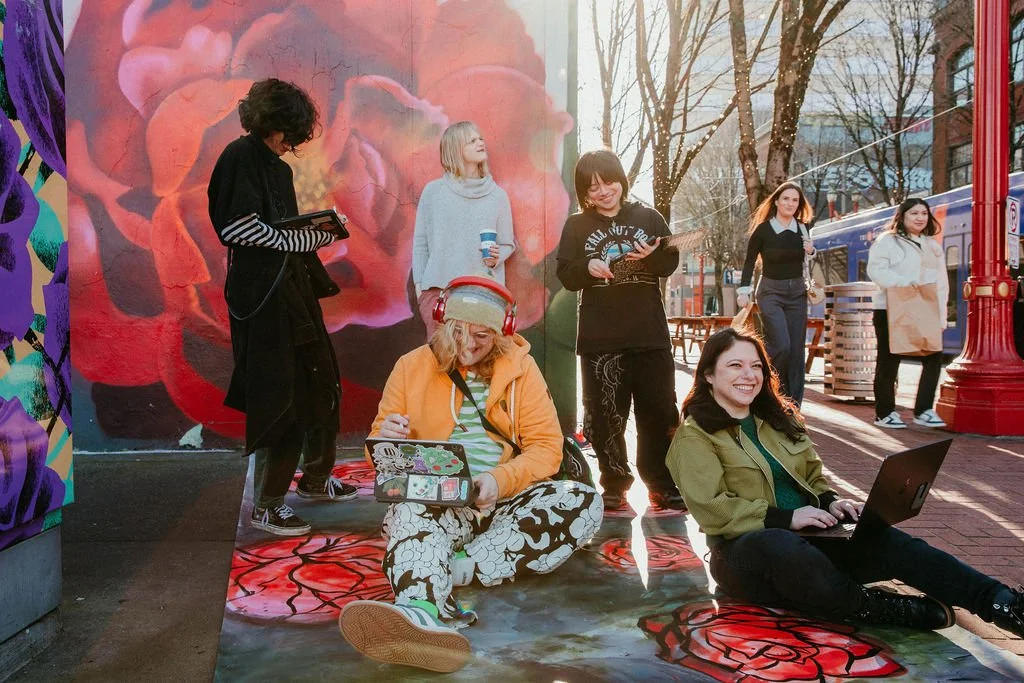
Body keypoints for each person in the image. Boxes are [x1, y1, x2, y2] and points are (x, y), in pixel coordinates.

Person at [666, 327, 1024, 636]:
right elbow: (713, 509)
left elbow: (813, 476)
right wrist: (786, 519)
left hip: (811, 544)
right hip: (745, 557)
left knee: (884, 538)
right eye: (735, 365)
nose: (750, 374)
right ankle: (879, 606)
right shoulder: (695, 436)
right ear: (709, 374)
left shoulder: (777, 419)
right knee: (779, 544)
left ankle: (1003, 605)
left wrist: (829, 501)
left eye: (756, 365)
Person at [339, 276, 602, 673]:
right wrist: (384, 436)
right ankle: (420, 613)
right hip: (436, 503)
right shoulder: (410, 367)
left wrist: (498, 480)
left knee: (582, 502)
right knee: (409, 509)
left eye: (482, 335)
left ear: (501, 333)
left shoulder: (522, 369)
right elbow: (379, 456)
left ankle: (455, 566)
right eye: (458, 332)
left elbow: (547, 448)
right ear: (443, 323)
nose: (469, 344)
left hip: (505, 501)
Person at [207, 78, 357, 536]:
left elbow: (278, 231)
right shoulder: (239, 157)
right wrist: (309, 236)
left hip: (293, 293)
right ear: (270, 123)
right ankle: (268, 503)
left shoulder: (278, 168)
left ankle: (315, 477)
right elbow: (239, 230)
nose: (289, 144)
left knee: (321, 382)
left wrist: (316, 233)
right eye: (286, 133)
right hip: (263, 299)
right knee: (279, 394)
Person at [555, 149, 685, 511]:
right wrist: (588, 265)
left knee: (659, 412)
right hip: (601, 339)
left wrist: (650, 256)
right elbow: (565, 274)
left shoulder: (649, 217)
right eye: (592, 186)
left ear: (621, 181)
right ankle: (614, 483)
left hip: (650, 335)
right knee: (605, 414)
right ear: (584, 191)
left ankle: (661, 483)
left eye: (608, 181)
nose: (602, 191)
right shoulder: (576, 226)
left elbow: (668, 263)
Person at [412, 121, 516, 339]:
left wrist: (496, 257)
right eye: (472, 140)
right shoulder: (433, 192)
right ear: (455, 149)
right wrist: (420, 289)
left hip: (484, 295)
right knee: (442, 365)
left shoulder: (498, 196)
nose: (480, 143)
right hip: (440, 294)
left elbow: (508, 243)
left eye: (480, 139)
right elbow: (420, 243)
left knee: (478, 368)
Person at [867, 198, 949, 429]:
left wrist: (941, 315)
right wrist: (906, 283)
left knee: (933, 357)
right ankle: (884, 413)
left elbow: (941, 282)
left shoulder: (932, 245)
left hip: (924, 309)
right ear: (902, 216)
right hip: (890, 309)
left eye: (924, 213)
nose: (920, 218)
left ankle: (923, 409)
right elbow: (876, 270)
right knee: (889, 360)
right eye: (914, 213)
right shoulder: (889, 241)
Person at [736, 182, 815, 405]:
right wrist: (744, 291)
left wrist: (811, 250)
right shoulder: (763, 230)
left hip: (797, 293)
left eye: (795, 200)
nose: (790, 203)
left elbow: (807, 260)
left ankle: (793, 404)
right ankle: (765, 388)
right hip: (771, 292)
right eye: (786, 199)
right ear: (777, 201)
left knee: (796, 350)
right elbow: (750, 262)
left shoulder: (802, 228)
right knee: (781, 345)